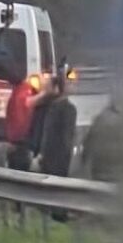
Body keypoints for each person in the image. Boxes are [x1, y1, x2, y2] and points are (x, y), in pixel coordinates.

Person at [37, 65, 77, 221]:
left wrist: (42, 153)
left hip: (49, 156)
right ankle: (59, 215)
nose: (73, 86)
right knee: (59, 188)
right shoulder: (68, 109)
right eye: (69, 83)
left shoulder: (51, 106)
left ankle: (52, 214)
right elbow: (67, 137)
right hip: (60, 158)